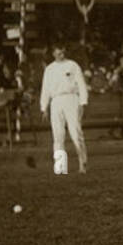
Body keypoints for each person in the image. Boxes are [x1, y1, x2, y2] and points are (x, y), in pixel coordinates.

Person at [40, 44, 89, 173]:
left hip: (71, 99)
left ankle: (82, 163)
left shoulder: (72, 65)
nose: (60, 54)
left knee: (76, 132)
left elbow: (81, 84)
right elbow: (45, 89)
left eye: (62, 52)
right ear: (53, 53)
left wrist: (83, 102)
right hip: (56, 101)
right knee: (58, 134)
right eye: (58, 52)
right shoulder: (49, 69)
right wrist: (44, 107)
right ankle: (60, 166)